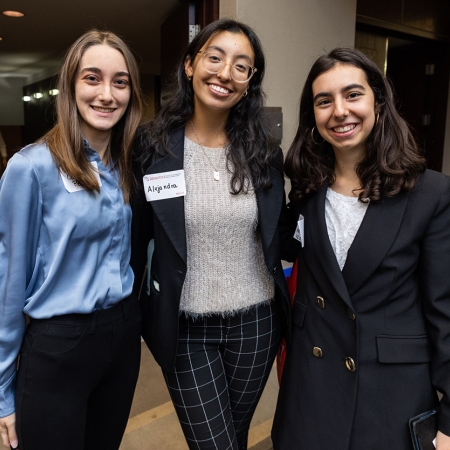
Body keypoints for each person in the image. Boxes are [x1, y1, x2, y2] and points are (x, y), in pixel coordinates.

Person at [271, 47, 450, 449]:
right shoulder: (305, 189)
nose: (339, 111)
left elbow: (445, 312)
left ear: (379, 104)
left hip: (387, 395)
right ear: (313, 117)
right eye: (324, 101)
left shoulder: (431, 194)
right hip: (310, 389)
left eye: (353, 95)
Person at [131, 18, 290, 450]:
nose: (225, 73)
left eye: (242, 66)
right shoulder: (152, 147)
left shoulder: (263, 153)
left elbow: (282, 229)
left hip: (256, 323)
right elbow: (136, 238)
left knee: (233, 439)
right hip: (184, 328)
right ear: (189, 65)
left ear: (250, 81)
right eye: (214, 57)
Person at [0, 30, 143, 450]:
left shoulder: (127, 164)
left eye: (120, 82)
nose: (107, 94)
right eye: (92, 78)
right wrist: (1, 391)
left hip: (121, 340)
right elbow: (8, 284)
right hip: (59, 346)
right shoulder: (31, 168)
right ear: (70, 86)